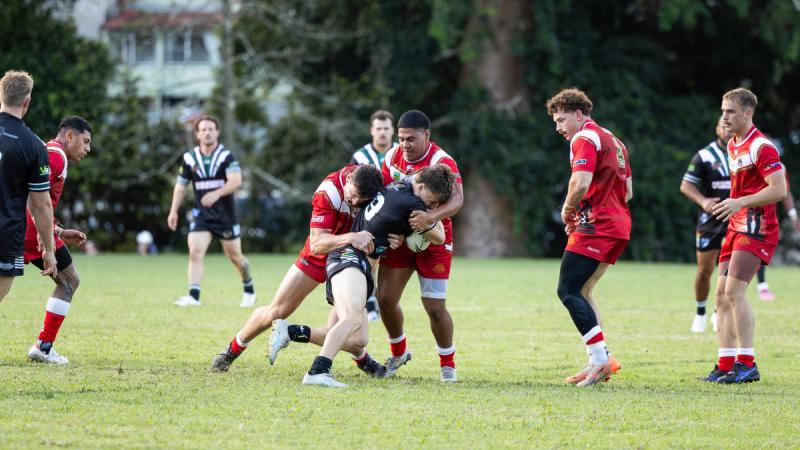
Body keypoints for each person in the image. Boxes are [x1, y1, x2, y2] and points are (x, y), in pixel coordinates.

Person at [270, 165, 454, 387]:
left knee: (358, 340)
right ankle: (318, 371)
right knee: (352, 319)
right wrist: (428, 219)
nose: (431, 207)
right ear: (421, 186)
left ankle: (290, 331)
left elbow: (386, 221)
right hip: (350, 258)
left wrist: (402, 238)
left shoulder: (394, 187)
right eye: (431, 201)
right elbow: (439, 236)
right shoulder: (412, 202)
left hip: (353, 264)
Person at [210, 164, 384, 373]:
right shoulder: (328, 192)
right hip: (319, 257)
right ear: (348, 181)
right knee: (277, 311)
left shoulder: (376, 191)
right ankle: (232, 350)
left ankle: (361, 358)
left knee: (357, 336)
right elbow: (318, 243)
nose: (354, 202)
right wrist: (351, 237)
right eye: (353, 195)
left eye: (360, 200)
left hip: (350, 262)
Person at [546, 88, 631, 387]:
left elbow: (580, 183)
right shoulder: (614, 140)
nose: (558, 127)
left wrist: (568, 210)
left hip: (597, 225)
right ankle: (600, 358)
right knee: (583, 290)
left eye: (561, 119)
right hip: (618, 224)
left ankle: (599, 360)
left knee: (567, 290)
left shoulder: (583, 138)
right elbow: (628, 191)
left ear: (579, 115)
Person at [702, 88, 787, 384]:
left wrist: (740, 201)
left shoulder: (762, 146)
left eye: (730, 112)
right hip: (737, 224)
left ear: (748, 113)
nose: (724, 116)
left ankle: (748, 364)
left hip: (758, 227)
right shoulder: (734, 144)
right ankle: (726, 363)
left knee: (735, 293)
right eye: (723, 110)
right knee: (721, 296)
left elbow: (779, 189)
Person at [377, 109, 464, 382]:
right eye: (401, 138)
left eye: (411, 138)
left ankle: (447, 363)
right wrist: (396, 231)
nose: (405, 144)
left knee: (435, 307)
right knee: (385, 299)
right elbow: (385, 196)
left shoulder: (442, 161)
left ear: (426, 135)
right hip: (401, 237)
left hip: (435, 238)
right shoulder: (392, 156)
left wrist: (429, 218)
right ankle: (399, 351)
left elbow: (457, 200)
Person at [167, 116, 256, 308]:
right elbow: (181, 186)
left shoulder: (226, 156)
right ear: (197, 133)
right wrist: (173, 210)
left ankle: (249, 289)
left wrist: (216, 194)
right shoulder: (190, 158)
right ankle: (194, 296)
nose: (207, 132)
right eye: (203, 129)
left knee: (235, 257)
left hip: (226, 216)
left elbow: (236, 180)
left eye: (211, 129)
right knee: (195, 252)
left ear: (217, 132)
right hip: (202, 216)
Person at [24, 116, 92, 364]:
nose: (87, 149)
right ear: (69, 136)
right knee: (69, 280)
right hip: (31, 232)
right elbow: (35, 199)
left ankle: (44, 345)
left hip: (25, 229)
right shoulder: (57, 155)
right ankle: (43, 346)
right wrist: (47, 240)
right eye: (85, 141)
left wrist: (59, 231)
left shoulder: (49, 151)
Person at [0, 70, 57, 305]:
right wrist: (49, 250)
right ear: (27, 101)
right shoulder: (33, 145)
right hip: (5, 235)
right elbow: (40, 204)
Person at [680, 117, 731, 333]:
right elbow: (686, 185)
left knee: (730, 272)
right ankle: (700, 312)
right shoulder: (704, 156)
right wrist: (704, 202)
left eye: (730, 125)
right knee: (704, 271)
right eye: (723, 126)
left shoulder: (746, 153)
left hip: (736, 220)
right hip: (710, 221)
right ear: (716, 128)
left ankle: (719, 313)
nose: (727, 130)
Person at [349, 109, 398, 322]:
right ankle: (370, 302)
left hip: (394, 215)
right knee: (370, 257)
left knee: (387, 260)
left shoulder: (399, 152)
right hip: (368, 215)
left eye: (386, 128)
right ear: (371, 130)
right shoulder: (360, 156)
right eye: (378, 129)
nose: (382, 133)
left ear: (393, 130)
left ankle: (381, 299)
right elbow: (352, 187)